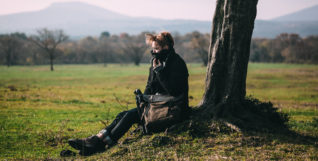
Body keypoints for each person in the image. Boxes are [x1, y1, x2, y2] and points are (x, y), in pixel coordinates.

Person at [68, 31, 189, 156]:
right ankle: (96, 140)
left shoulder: (177, 63)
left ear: (167, 47)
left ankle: (99, 144)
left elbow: (174, 91)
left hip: (172, 110)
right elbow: (150, 86)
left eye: (157, 48)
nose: (154, 52)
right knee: (123, 114)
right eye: (153, 48)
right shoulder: (155, 62)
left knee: (130, 116)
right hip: (158, 106)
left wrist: (159, 72)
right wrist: (142, 98)